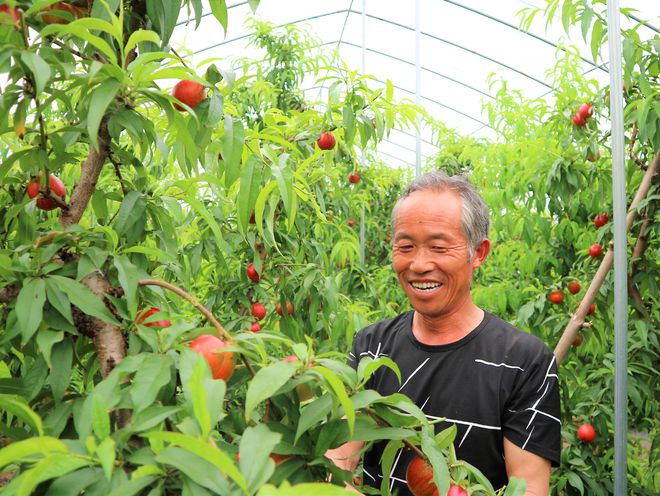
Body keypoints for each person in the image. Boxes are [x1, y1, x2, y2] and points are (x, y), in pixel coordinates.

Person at [327, 171, 560, 495]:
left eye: (438, 247)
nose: (419, 264)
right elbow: (337, 460)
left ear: (478, 253)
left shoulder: (524, 363)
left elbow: (530, 488)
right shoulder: (371, 347)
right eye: (405, 246)